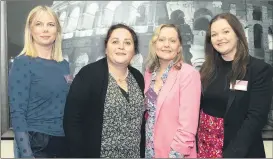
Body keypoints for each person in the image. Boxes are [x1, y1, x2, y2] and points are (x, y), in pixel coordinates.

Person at [63, 23, 145, 158]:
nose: (121, 47)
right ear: (106, 48)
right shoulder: (88, 74)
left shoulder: (138, 77)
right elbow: (72, 121)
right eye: (115, 42)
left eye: (127, 43)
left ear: (134, 50)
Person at [198, 12, 273, 158]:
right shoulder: (206, 69)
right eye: (214, 34)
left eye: (226, 31)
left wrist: (233, 153)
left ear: (238, 34)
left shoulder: (259, 69)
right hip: (205, 146)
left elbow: (256, 117)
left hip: (238, 149)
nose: (220, 38)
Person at [8, 5, 70, 158]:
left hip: (63, 144)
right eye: (39, 24)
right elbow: (17, 113)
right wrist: (26, 154)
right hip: (36, 144)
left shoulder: (64, 65)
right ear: (30, 30)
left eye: (50, 24)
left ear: (57, 31)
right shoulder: (22, 63)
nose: (45, 29)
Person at [144, 24, 201, 158]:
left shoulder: (188, 74)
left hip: (175, 153)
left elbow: (188, 126)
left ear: (179, 47)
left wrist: (175, 155)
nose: (166, 44)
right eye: (162, 39)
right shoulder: (149, 72)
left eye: (172, 40)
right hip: (150, 150)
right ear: (154, 44)